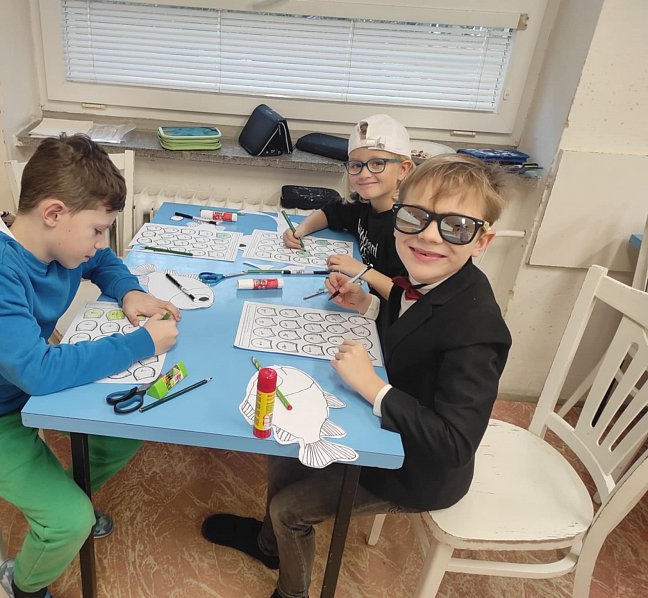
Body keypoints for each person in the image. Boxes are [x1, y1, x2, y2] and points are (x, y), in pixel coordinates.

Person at [202, 153, 513, 598]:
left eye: (456, 227)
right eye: (415, 217)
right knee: (283, 456)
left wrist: (372, 386)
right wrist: (365, 305)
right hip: (383, 426)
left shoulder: (477, 331)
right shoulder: (429, 278)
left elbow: (455, 443)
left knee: (290, 508)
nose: (429, 235)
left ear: (482, 241)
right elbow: (411, 323)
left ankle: (291, 592)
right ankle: (269, 545)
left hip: (414, 469)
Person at [0, 134, 180, 598]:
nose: (100, 243)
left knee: (128, 429)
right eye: (97, 230)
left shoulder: (56, 244)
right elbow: (37, 371)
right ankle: (23, 584)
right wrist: (140, 343)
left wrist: (130, 291)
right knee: (70, 522)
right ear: (54, 213)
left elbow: (103, 263)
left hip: (18, 390)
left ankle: (63, 498)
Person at [283, 114, 414, 299]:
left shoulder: (406, 229)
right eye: (356, 165)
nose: (364, 174)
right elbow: (329, 212)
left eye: (377, 163)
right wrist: (300, 230)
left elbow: (407, 297)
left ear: (403, 169)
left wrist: (362, 270)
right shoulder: (363, 203)